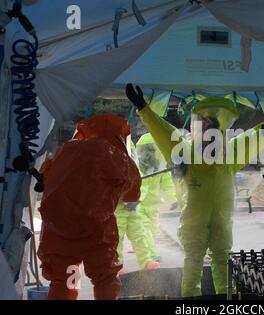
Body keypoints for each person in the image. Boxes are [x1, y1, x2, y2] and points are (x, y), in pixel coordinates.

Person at [126, 84, 264, 297]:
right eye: (205, 130)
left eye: (211, 130)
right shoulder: (190, 153)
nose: (208, 136)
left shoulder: (225, 154)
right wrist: (143, 108)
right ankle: (196, 302)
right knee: (198, 260)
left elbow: (254, 137)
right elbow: (163, 131)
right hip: (200, 222)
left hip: (212, 221)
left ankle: (221, 299)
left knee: (216, 259)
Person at [38, 114, 141, 300]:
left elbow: (47, 177)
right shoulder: (117, 156)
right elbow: (133, 194)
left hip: (60, 231)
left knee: (65, 280)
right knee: (104, 280)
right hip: (96, 232)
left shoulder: (67, 150)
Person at [115, 140, 158, 273]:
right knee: (117, 237)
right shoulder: (111, 164)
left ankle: (145, 260)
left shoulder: (134, 164)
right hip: (117, 209)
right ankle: (116, 264)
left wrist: (137, 197)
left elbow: (141, 182)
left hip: (133, 208)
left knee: (140, 234)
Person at [135, 133, 178, 263]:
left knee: (153, 230)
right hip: (139, 205)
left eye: (149, 150)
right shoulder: (136, 166)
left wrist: (173, 199)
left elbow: (167, 184)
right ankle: (151, 255)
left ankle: (148, 252)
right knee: (145, 229)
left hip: (153, 206)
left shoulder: (160, 167)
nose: (146, 154)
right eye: (144, 150)